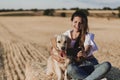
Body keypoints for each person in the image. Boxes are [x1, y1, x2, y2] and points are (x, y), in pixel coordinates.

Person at [62, 10, 111, 80]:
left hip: (91, 65)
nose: (77, 25)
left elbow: (87, 47)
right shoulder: (66, 35)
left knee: (107, 65)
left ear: (84, 24)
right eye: (75, 22)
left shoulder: (88, 35)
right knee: (70, 68)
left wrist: (84, 53)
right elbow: (54, 43)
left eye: (80, 23)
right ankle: (94, 78)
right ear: (71, 21)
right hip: (78, 67)